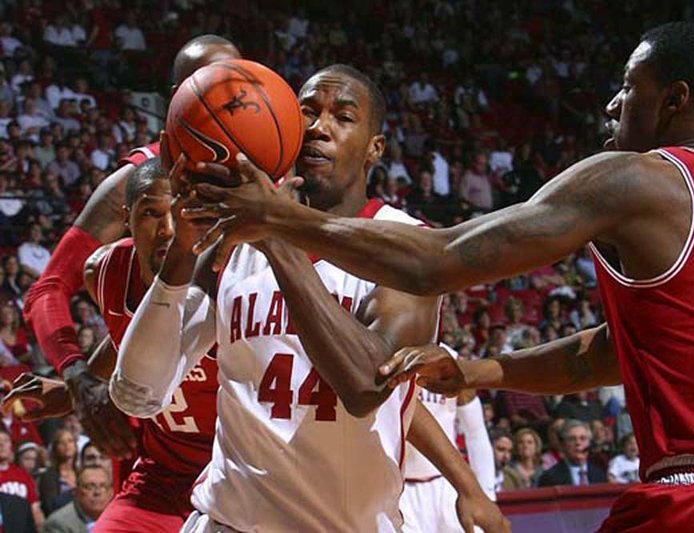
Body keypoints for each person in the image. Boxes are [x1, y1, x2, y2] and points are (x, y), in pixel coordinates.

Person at [188, 23, 694, 530]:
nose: (614, 103)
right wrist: (484, 372)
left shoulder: (638, 178)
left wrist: (279, 219)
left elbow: (438, 260)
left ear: (675, 101)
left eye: (628, 87)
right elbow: (619, 354)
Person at [112, 64, 507, 532]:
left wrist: (275, 233)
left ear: (374, 148)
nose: (319, 127)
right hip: (226, 519)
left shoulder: (406, 243)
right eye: (308, 112)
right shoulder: (231, 245)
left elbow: (365, 385)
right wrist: (181, 253)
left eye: (342, 116)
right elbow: (137, 393)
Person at [22, 33, 241, 463]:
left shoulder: (274, 177)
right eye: (216, 85)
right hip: (167, 441)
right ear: (182, 98)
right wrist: (79, 380)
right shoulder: (142, 180)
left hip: (251, 437)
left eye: (240, 84)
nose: (234, 97)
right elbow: (46, 289)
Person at [6, 159, 219, 532]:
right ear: (127, 218)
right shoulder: (105, 272)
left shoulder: (226, 274)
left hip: (230, 471)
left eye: (179, 213)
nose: (168, 230)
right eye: (151, 214)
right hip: (161, 475)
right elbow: (125, 334)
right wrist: (79, 382)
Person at [401, 343, 495, 532]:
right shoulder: (384, 353)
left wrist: (487, 494)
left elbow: (475, 431)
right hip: (400, 488)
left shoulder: (452, 361)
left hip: (448, 483)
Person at [42, 465, 113, 533]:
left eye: (103, 486)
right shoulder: (58, 524)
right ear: (76, 492)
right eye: (89, 487)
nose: (97, 492)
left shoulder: (118, 519)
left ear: (111, 493)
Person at [537, 419, 605, 487]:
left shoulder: (600, 476)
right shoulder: (549, 478)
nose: (578, 443)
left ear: (589, 443)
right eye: (572, 439)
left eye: (583, 438)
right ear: (563, 445)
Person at [0, 426, 41, 525]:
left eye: (6, 441)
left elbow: (34, 508)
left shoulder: (22, 475)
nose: (1, 444)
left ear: (11, 446)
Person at [38, 428, 78, 516]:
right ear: (55, 448)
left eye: (70, 441)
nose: (67, 445)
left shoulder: (81, 473)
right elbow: (49, 506)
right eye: (61, 442)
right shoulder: (49, 476)